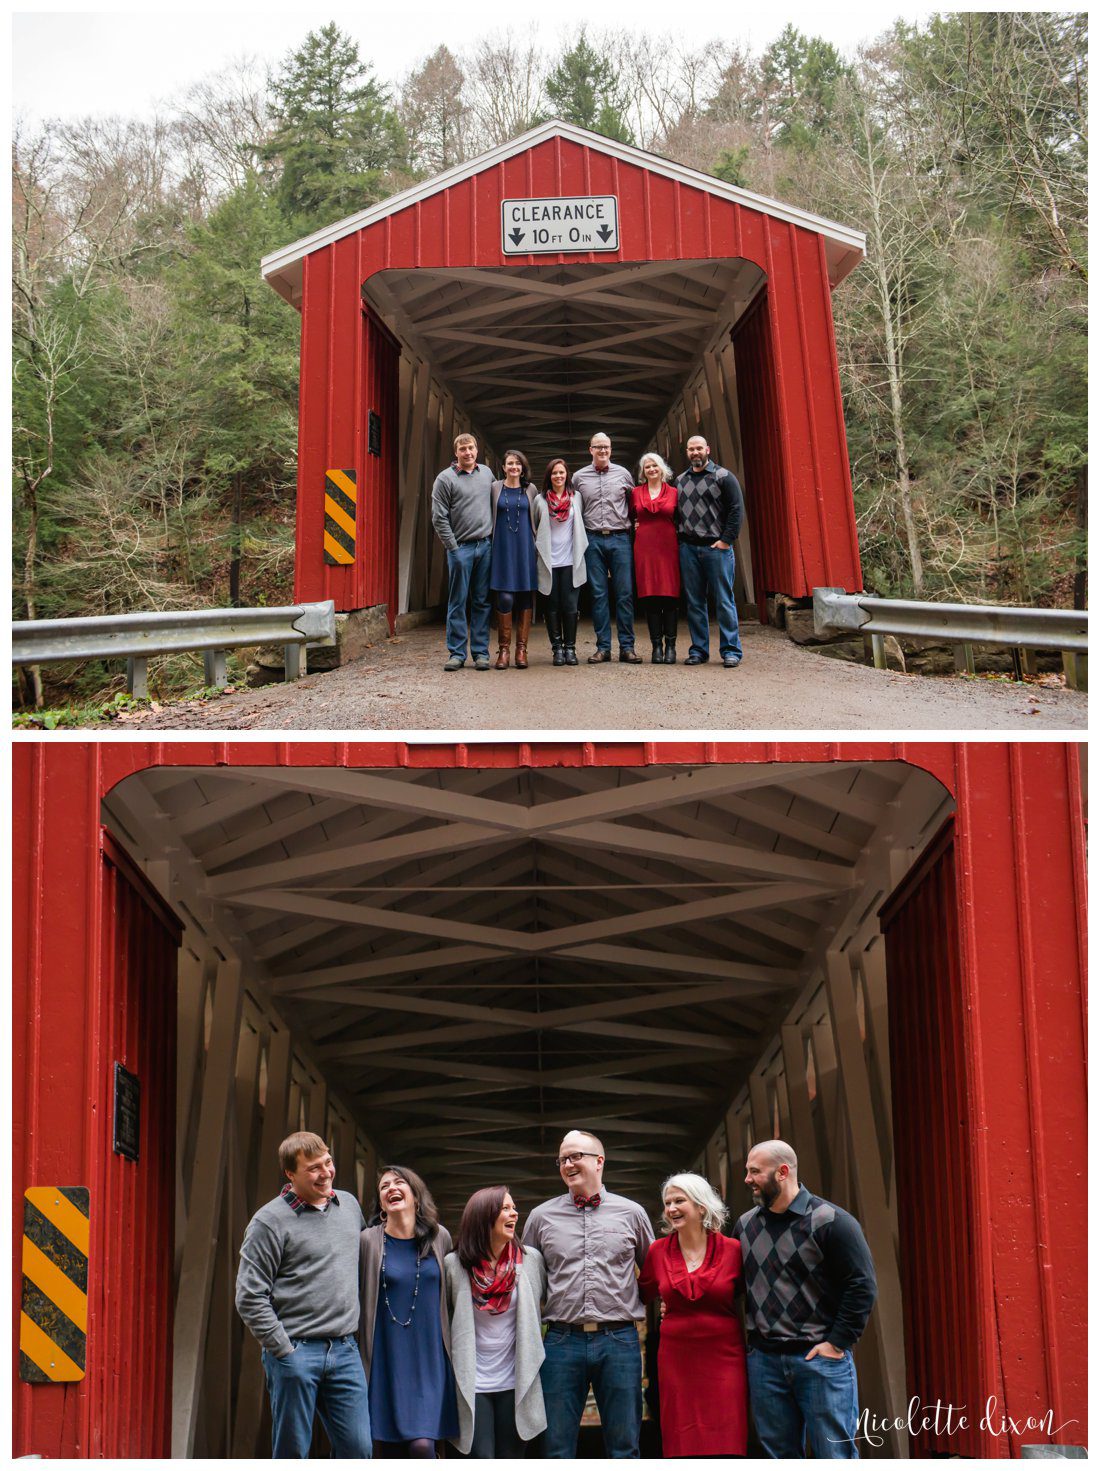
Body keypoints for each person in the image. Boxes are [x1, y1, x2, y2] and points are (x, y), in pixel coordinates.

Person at [735, 1141, 877, 1459]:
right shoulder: (744, 1226)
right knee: (779, 1458)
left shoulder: (832, 1222)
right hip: (765, 1363)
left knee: (834, 1457)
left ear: (783, 1172)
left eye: (755, 1171)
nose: (747, 1179)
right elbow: (729, 1283)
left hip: (819, 1360)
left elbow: (862, 1286)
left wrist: (837, 1343)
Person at [234, 1131, 372, 1458]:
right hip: (296, 1351)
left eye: (328, 1162)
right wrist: (284, 1350)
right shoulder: (269, 1221)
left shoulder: (349, 1206)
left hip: (345, 1350)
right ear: (290, 1174)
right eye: (313, 1168)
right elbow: (249, 1296)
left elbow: (373, 1261)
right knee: (293, 1452)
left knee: (359, 1449)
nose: (325, 1173)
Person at [522, 1129, 655, 1458]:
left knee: (625, 1447)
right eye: (562, 1159)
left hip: (620, 1341)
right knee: (555, 1446)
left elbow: (654, 1273)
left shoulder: (632, 1213)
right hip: (560, 1343)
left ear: (599, 1161)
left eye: (575, 1156)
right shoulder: (540, 1218)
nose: (567, 1163)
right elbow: (526, 1284)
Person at [638, 1172, 748, 1457]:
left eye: (679, 1201)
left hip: (724, 1356)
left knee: (727, 1434)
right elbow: (640, 1294)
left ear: (701, 1206)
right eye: (667, 1203)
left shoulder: (734, 1250)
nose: (671, 1208)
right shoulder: (657, 1251)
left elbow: (754, 1297)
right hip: (676, 1358)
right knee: (682, 1438)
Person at [359, 1165, 459, 1457]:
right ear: (381, 1203)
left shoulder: (440, 1238)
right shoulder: (368, 1241)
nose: (391, 1188)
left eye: (399, 1182)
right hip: (384, 1359)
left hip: (429, 1360)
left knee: (422, 1445)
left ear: (416, 1196)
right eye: (384, 1186)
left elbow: (452, 1300)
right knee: (385, 1450)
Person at [444, 1186, 548, 1458]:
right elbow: (443, 1321)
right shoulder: (454, 1266)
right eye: (505, 1208)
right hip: (473, 1383)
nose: (514, 1213)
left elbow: (555, 1303)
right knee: (482, 1458)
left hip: (516, 1382)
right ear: (483, 1217)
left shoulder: (530, 1260)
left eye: (513, 1207)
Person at [674, 434, 746, 668]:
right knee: (695, 602)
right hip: (689, 548)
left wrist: (726, 541)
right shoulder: (680, 480)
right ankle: (699, 650)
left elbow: (736, 510)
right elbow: (675, 515)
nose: (695, 453)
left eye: (698, 448)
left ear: (708, 449)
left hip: (716, 548)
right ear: (686, 452)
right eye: (690, 449)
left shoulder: (724, 477)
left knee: (724, 600)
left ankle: (730, 651)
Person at [573, 432, 641, 663]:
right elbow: (572, 506)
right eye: (598, 447)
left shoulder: (623, 474)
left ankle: (627, 647)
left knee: (625, 594)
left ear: (611, 449)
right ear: (589, 449)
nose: (603, 451)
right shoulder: (579, 477)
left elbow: (634, 504)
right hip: (592, 539)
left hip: (620, 538)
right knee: (598, 594)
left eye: (606, 447)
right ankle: (603, 648)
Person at [431, 432, 495, 672]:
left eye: (471, 448)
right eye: (463, 449)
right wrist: (453, 548)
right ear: (455, 453)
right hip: (462, 548)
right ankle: (457, 653)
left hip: (485, 546)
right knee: (458, 601)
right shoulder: (444, 479)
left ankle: (480, 653)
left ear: (477, 450)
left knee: (482, 601)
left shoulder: (487, 474)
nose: (467, 453)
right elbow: (439, 517)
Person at [534, 458, 588, 667]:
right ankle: (557, 649)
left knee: (570, 606)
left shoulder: (577, 498)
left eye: (562, 472)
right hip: (549, 561)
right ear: (549, 476)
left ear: (567, 475)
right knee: (552, 606)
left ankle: (570, 648)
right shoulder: (540, 501)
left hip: (570, 560)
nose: (558, 476)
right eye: (554, 473)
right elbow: (534, 526)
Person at [489, 450, 539, 669]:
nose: (514, 467)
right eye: (510, 463)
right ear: (503, 467)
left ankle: (521, 649)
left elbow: (538, 517)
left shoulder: (531, 489)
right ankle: (504, 650)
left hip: (525, 547)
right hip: (501, 548)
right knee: (505, 598)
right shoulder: (494, 488)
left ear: (523, 467)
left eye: (518, 464)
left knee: (526, 598)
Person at [630, 453, 680, 663]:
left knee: (669, 596)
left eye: (654, 466)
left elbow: (681, 518)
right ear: (643, 472)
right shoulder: (634, 493)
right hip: (644, 548)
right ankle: (656, 647)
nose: (651, 469)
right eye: (647, 467)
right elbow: (628, 517)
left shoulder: (675, 492)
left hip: (667, 546)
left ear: (662, 468)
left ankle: (671, 647)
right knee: (650, 597)